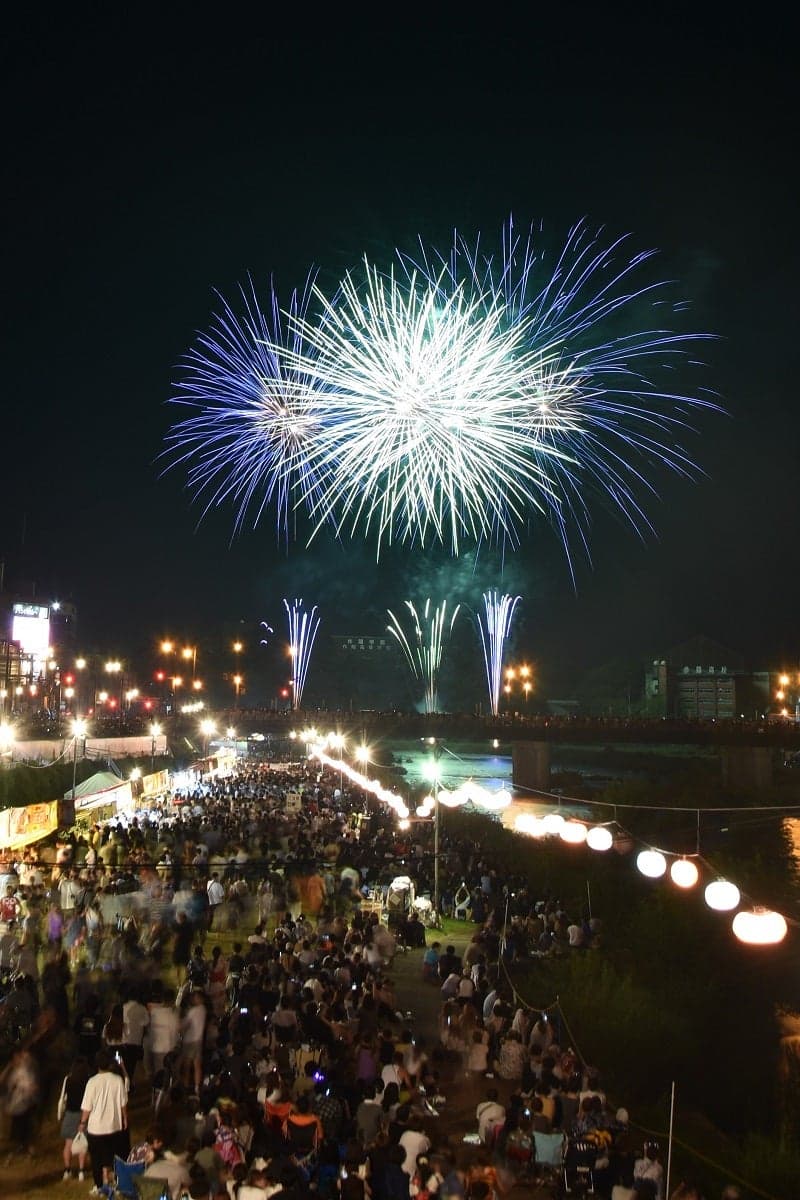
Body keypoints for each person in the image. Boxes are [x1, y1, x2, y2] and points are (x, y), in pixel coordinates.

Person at [78, 1049, 129, 1192]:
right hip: (114, 1126)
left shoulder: (92, 1082)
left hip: (96, 1128)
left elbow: (87, 1107)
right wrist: (125, 1118)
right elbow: (123, 1103)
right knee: (114, 1157)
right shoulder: (118, 1080)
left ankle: (99, 1185)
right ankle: (117, 1184)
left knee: (97, 1159)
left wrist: (82, 1123)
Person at [58, 1054, 92, 1180]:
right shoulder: (88, 1080)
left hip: (70, 1113)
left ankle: (67, 1170)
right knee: (82, 1144)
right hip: (83, 1115)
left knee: (68, 1144)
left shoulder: (68, 1079)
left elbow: (63, 1097)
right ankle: (81, 1171)